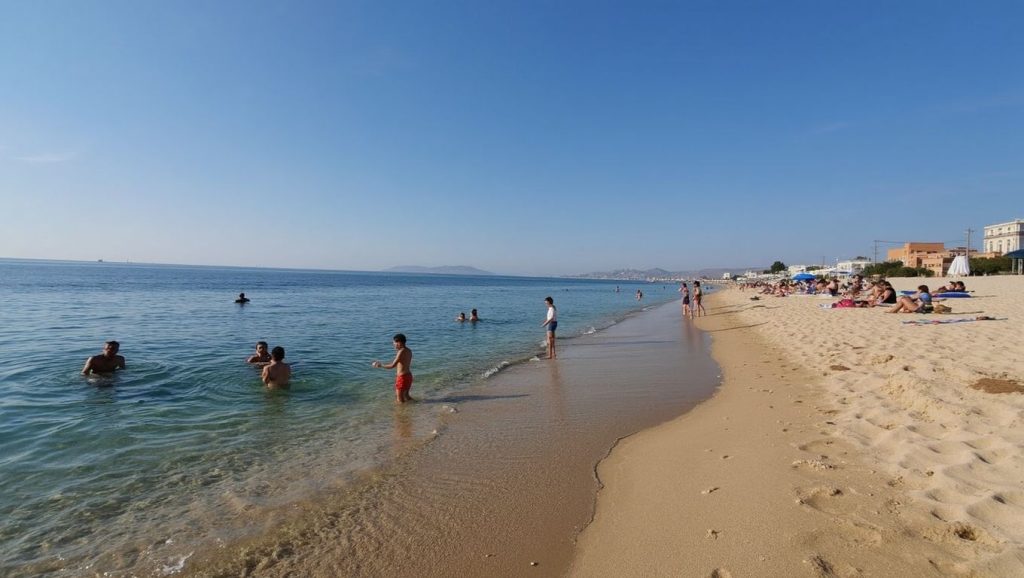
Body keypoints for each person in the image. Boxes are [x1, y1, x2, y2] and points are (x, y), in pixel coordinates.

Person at [372, 333, 414, 403]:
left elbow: (392, 365)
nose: (393, 345)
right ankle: (418, 404)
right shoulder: (409, 350)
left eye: (394, 343)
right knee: (406, 396)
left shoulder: (401, 352)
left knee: (399, 400)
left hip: (402, 378)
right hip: (409, 376)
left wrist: (380, 365)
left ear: (399, 343)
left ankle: (402, 411)